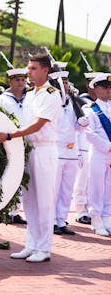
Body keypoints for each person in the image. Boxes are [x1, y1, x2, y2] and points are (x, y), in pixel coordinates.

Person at [0, 53, 61, 262]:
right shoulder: (30, 94)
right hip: (28, 149)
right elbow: (21, 122)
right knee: (30, 201)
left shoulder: (52, 94)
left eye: (33, 68)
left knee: (44, 201)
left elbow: (37, 125)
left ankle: (44, 248)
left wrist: (9, 136)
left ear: (45, 70)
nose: (28, 72)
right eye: (28, 68)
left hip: (44, 150)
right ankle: (31, 244)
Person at [51, 70, 89, 236]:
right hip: (56, 150)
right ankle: (51, 220)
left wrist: (82, 123)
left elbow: (77, 127)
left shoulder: (73, 102)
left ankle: (61, 219)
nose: (66, 85)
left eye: (67, 82)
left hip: (71, 151)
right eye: (63, 82)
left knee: (66, 190)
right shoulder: (52, 102)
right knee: (54, 189)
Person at [0, 68, 28, 225]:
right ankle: (4, 210)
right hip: (7, 142)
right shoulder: (1, 100)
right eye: (17, 80)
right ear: (10, 82)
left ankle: (15, 211)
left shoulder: (31, 98)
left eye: (23, 79)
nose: (21, 83)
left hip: (27, 143)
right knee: (7, 175)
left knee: (21, 178)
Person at [73, 72, 104, 225]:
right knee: (82, 182)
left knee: (97, 184)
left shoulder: (105, 105)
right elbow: (79, 129)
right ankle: (80, 210)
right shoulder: (83, 103)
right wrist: (77, 151)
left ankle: (96, 211)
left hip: (100, 150)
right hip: (85, 148)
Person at [84, 73, 111, 236]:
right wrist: (108, 146)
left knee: (109, 186)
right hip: (99, 153)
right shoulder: (90, 110)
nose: (109, 91)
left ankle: (107, 216)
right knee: (97, 186)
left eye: (110, 88)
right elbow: (89, 133)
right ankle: (95, 218)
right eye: (105, 88)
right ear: (96, 89)